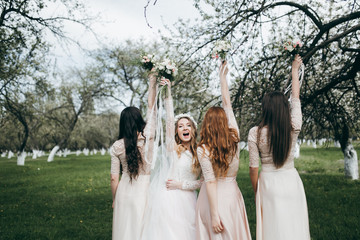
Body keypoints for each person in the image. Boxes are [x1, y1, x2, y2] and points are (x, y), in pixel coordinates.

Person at [248, 55, 310, 240]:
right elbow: (296, 98)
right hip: (291, 180)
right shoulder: (293, 127)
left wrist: (256, 190)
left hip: (267, 183)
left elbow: (253, 167)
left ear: (265, 109)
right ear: (285, 108)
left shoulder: (255, 133)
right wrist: (294, 71)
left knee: (272, 228)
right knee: (294, 226)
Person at [141, 78, 202, 240]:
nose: (184, 128)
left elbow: (204, 181)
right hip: (170, 200)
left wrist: (182, 185)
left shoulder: (200, 152)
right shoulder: (172, 148)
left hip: (190, 200)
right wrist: (168, 94)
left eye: (187, 125)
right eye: (180, 126)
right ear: (177, 131)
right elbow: (169, 120)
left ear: (193, 129)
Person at [196, 62, 251, 240]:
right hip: (232, 197)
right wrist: (223, 79)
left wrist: (214, 215)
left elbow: (210, 182)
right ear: (224, 122)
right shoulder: (234, 137)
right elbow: (227, 105)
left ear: (207, 125)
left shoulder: (203, 149)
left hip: (210, 201)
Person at [110, 73, 157, 240]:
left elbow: (114, 178)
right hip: (145, 190)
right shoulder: (149, 137)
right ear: (139, 120)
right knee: (143, 230)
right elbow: (152, 108)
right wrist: (153, 80)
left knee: (124, 231)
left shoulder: (116, 146)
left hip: (124, 191)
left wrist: (115, 199)